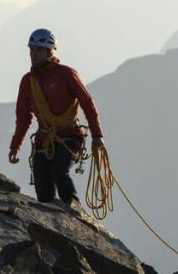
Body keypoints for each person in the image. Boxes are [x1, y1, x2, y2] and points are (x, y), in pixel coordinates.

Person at [8, 28, 105, 207]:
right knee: (43, 189)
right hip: (44, 138)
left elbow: (87, 102)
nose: (33, 54)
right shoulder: (28, 81)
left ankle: (74, 211)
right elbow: (23, 117)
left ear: (49, 51)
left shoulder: (66, 74)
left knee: (59, 172)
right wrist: (16, 145)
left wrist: (97, 136)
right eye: (31, 50)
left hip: (69, 135)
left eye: (38, 50)